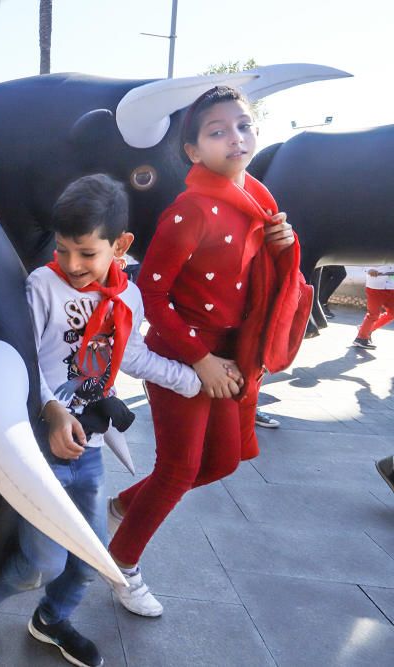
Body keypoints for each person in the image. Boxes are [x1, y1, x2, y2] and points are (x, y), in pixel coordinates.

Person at [0, 174, 203, 664]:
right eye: (64, 249)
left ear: (121, 245)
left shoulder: (127, 298)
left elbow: (130, 357)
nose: (72, 264)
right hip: (39, 444)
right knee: (42, 562)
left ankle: (52, 620)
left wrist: (192, 378)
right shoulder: (42, 287)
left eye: (87, 253)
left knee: (90, 556)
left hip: (89, 445)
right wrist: (51, 413)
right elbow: (21, 358)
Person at [107, 86, 308, 618]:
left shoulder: (259, 203)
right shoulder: (189, 210)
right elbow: (152, 291)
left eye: (242, 125)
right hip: (181, 355)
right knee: (179, 467)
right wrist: (198, 361)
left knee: (221, 461)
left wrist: (282, 247)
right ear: (194, 151)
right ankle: (120, 563)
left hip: (230, 354)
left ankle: (127, 504)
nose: (234, 138)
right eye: (217, 132)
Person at [352, 265, 394, 349]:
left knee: (392, 313)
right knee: (373, 314)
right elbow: (364, 257)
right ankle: (361, 339)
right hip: (375, 286)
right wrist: (368, 269)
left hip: (391, 285)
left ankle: (365, 329)